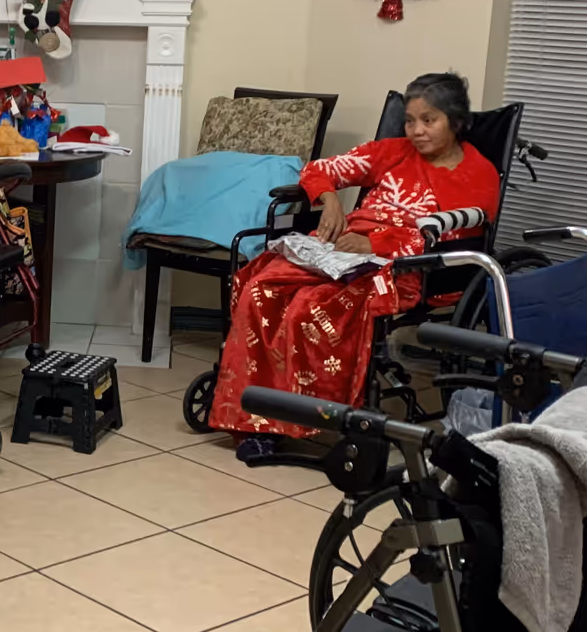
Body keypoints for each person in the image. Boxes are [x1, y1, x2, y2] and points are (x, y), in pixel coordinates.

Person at [210, 72, 501, 438]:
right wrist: (330, 202)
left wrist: (375, 244)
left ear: (455, 121)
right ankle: (250, 413)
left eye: (429, 120)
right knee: (260, 286)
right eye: (410, 120)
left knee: (309, 306)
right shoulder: (393, 152)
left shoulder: (477, 174)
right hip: (344, 249)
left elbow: (456, 240)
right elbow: (319, 169)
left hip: (408, 267)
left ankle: (298, 421)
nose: (417, 131)